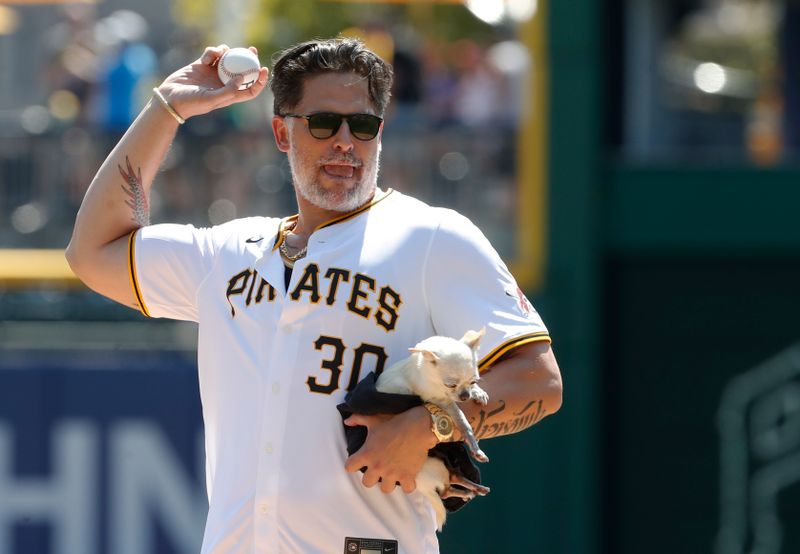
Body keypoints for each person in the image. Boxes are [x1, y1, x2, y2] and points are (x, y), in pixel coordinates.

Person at [66, 38, 562, 554]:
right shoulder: (227, 252)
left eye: (363, 125)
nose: (346, 141)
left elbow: (540, 381)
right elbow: (93, 252)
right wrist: (166, 108)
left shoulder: (431, 237)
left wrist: (429, 426)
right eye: (324, 123)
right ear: (282, 131)